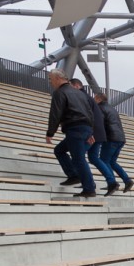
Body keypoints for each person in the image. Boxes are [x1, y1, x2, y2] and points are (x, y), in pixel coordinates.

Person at [46, 68, 97, 197]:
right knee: (59, 150)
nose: (50, 82)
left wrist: (50, 132)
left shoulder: (59, 92)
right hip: (84, 128)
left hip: (75, 128)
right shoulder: (80, 93)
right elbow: (90, 113)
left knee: (79, 159)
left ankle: (89, 188)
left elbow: (55, 113)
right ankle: (74, 175)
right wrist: (91, 132)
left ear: (58, 78)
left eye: (51, 79)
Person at [72, 78, 116, 194]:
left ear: (76, 86)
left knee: (78, 157)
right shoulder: (94, 102)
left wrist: (90, 133)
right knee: (93, 158)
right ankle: (111, 181)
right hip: (99, 134)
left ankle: (89, 182)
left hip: (92, 133)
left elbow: (90, 117)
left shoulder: (84, 98)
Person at [95, 93, 133, 192]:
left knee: (104, 160)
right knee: (112, 162)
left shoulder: (100, 108)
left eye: (94, 98)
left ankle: (112, 183)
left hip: (111, 138)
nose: (93, 100)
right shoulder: (112, 109)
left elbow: (99, 123)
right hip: (120, 138)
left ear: (98, 99)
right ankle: (127, 180)